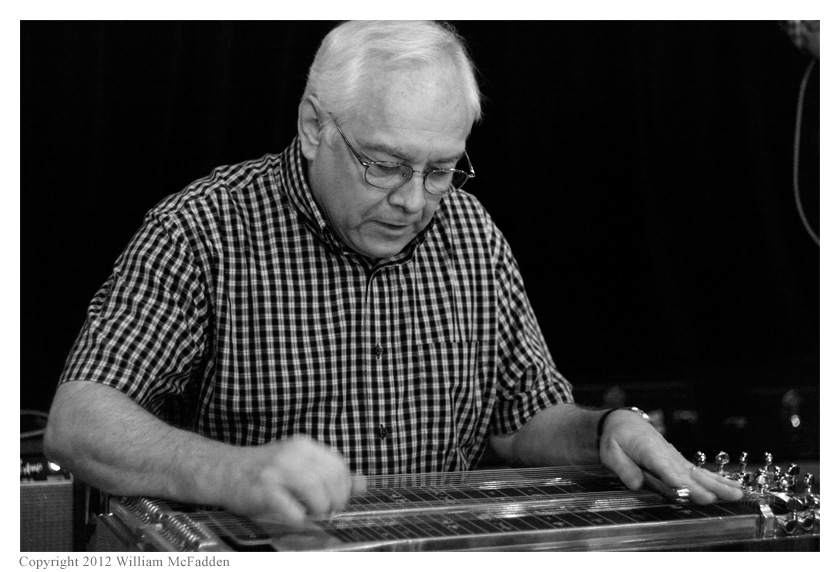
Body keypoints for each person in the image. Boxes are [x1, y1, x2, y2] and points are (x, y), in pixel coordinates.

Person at [44, 20, 742, 526]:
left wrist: (605, 430)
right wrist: (234, 472)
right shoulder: (202, 230)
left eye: (440, 170)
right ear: (313, 127)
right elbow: (80, 423)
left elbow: (523, 416)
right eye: (384, 164)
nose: (413, 200)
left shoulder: (470, 231)